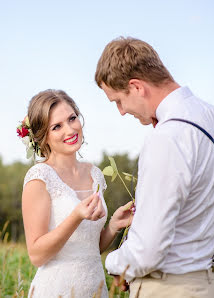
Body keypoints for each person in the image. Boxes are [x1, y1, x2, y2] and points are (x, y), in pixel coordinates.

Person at [94, 37, 214, 297]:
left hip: (169, 288)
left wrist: (111, 261)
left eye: (118, 100)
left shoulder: (166, 137)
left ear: (136, 87)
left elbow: (146, 252)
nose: (120, 111)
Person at [19, 89, 134, 297]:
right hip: (56, 290)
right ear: (43, 137)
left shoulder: (95, 174)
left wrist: (113, 226)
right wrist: (76, 216)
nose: (70, 130)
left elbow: (88, 248)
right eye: (57, 127)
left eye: (72, 118)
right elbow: (37, 255)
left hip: (95, 288)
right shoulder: (39, 178)